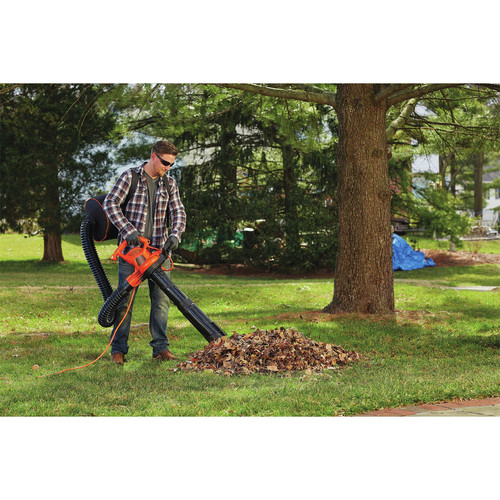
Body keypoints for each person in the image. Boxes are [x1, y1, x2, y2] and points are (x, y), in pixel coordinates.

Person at [103, 140, 186, 365]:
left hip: (158, 254)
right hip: (133, 254)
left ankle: (160, 349)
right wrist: (127, 230)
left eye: (171, 164)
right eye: (165, 163)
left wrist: (175, 235)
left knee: (160, 301)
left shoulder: (169, 183)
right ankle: (118, 351)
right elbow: (110, 204)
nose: (167, 168)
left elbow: (179, 212)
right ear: (153, 156)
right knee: (124, 302)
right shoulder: (129, 177)